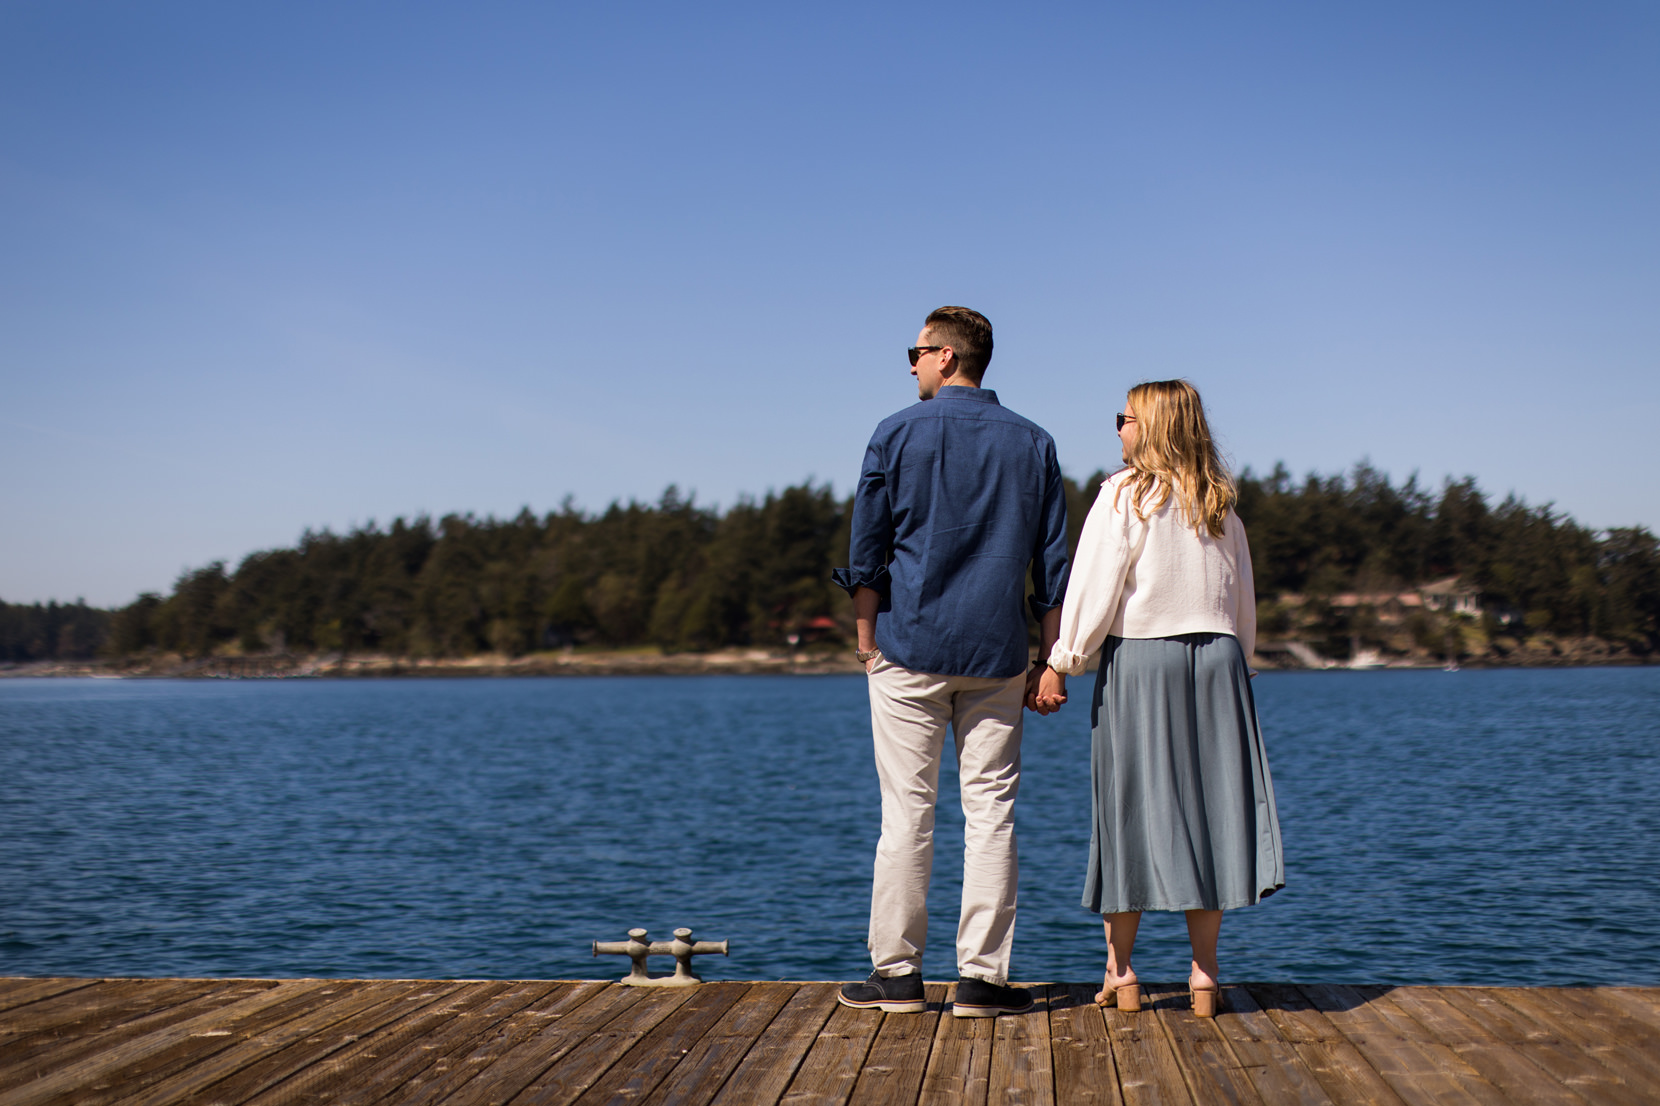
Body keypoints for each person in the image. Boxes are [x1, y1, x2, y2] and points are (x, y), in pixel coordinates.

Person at [832, 306, 1071, 1018]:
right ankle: (982, 981)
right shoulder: (1034, 443)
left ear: (944, 356)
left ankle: (898, 977)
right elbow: (1053, 568)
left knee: (906, 815)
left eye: (915, 352)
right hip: (997, 655)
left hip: (909, 648)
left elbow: (865, 551)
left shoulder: (895, 433)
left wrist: (865, 638)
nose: (909, 365)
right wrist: (1049, 659)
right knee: (991, 815)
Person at [1034, 379, 1283, 1018]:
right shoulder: (1220, 504)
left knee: (1129, 812)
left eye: (1125, 418)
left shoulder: (1123, 496)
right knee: (1214, 812)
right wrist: (1238, 664)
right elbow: (1242, 602)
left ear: (1152, 427)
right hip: (1220, 663)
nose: (1117, 428)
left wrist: (1061, 663)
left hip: (1142, 661)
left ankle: (1122, 973)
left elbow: (1093, 588)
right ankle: (1204, 975)